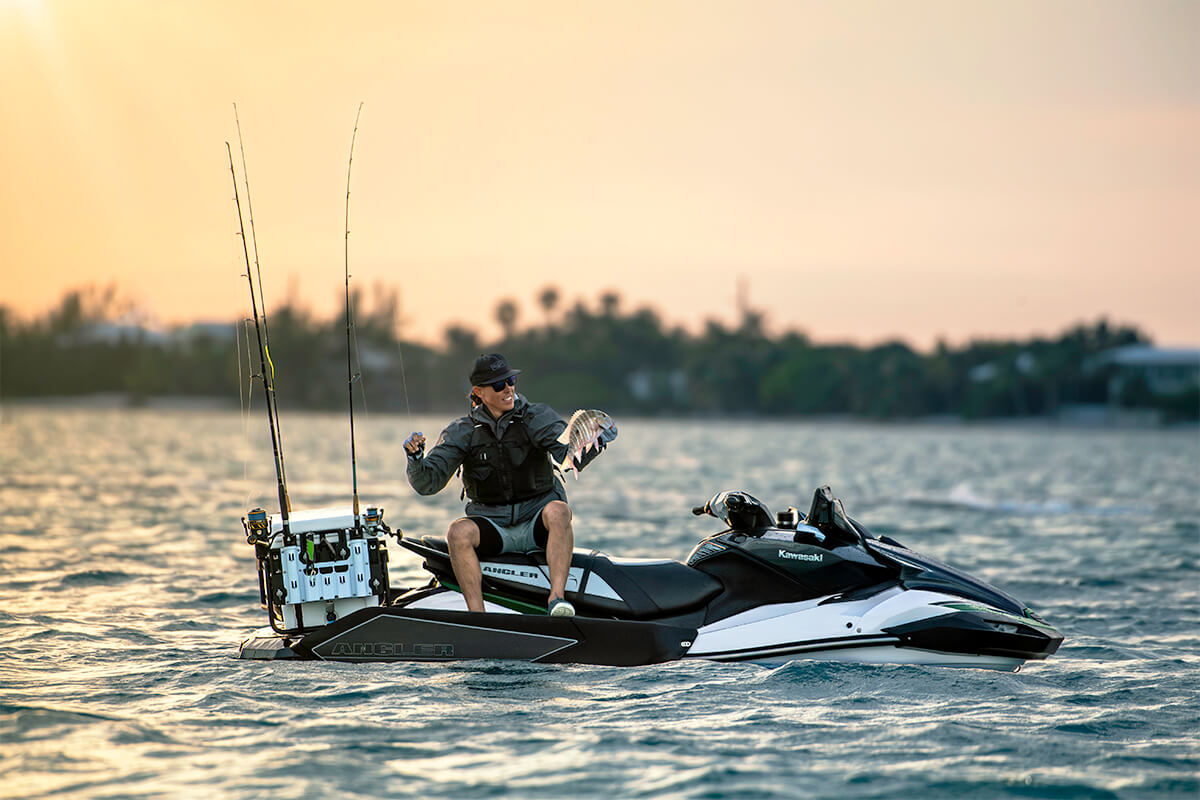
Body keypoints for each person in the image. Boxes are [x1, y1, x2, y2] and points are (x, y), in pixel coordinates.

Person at [403, 353, 606, 617]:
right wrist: (416, 459)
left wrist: (596, 441)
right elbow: (427, 483)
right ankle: (478, 616)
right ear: (478, 392)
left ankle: (556, 601)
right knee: (457, 532)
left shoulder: (537, 416)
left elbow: (567, 456)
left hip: (537, 522)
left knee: (559, 511)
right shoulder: (462, 431)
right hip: (494, 526)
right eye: (499, 385)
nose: (508, 388)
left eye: (511, 380)